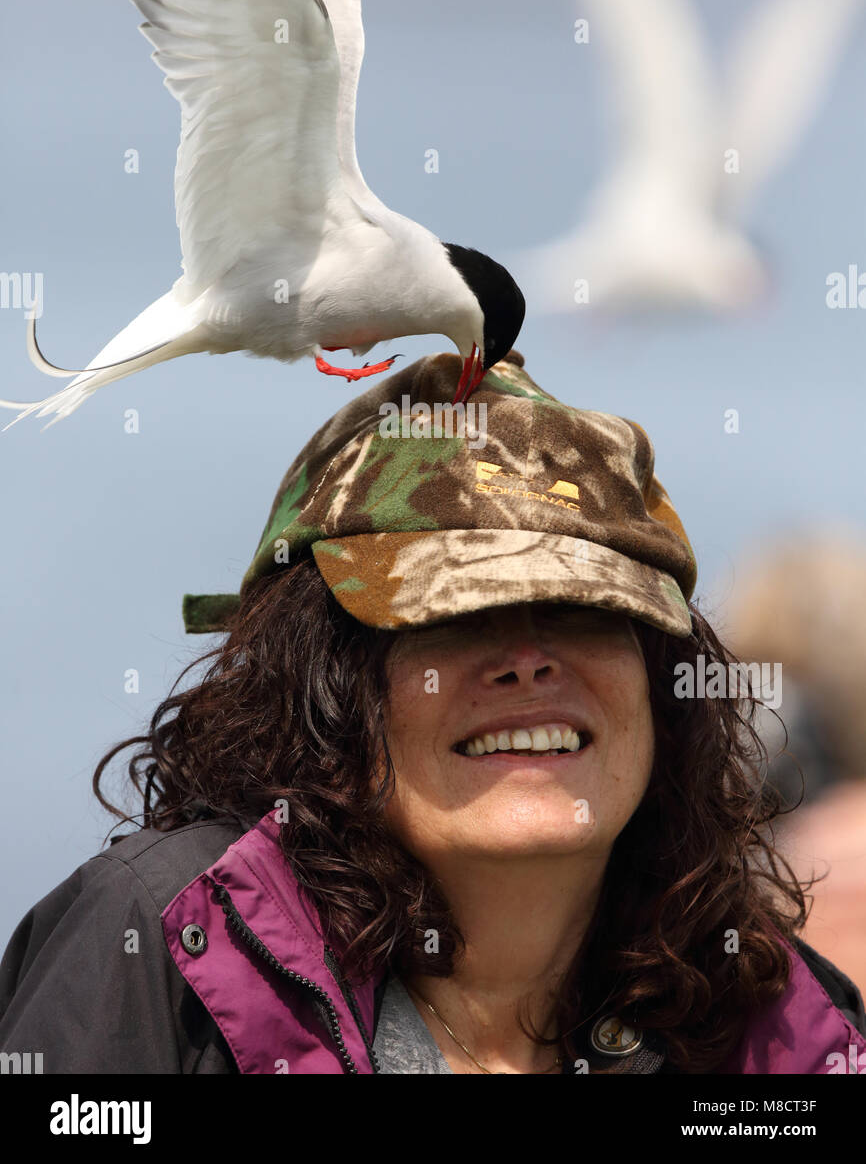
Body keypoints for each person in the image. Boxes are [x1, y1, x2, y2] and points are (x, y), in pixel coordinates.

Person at [1, 349, 864, 1075]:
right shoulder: (155, 947)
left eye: (585, 609)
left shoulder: (785, 1030)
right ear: (317, 683)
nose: (528, 660)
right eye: (451, 615)